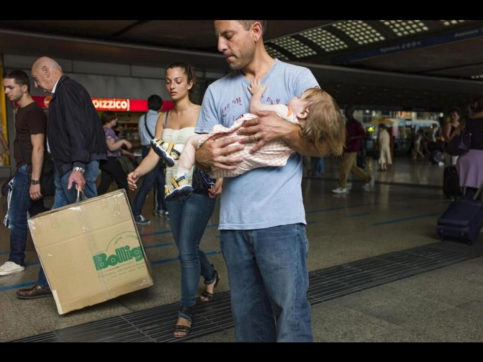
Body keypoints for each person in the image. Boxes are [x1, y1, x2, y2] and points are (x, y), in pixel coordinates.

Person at [194, 20, 338, 342]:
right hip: (233, 227)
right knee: (248, 321)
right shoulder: (217, 91)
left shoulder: (298, 79)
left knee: (292, 316)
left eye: (228, 36)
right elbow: (200, 153)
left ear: (255, 31)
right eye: (218, 37)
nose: (220, 45)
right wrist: (206, 156)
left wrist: (284, 130)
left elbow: (326, 144)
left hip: (282, 224)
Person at [127, 63, 220, 339]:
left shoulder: (203, 112)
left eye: (178, 80)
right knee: (184, 246)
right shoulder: (163, 119)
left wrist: (222, 179)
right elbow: (155, 155)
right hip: (172, 191)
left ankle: (185, 311)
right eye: (168, 81)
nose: (172, 85)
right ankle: (211, 275)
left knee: (186, 251)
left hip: (200, 190)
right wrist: (136, 172)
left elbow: (217, 150)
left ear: (189, 83)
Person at [153, 78, 343, 200]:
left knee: (193, 141)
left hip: (232, 149)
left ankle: (181, 176)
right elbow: (326, 140)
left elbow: (256, 109)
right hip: (236, 168)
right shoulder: (298, 137)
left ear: (305, 111)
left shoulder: (284, 111)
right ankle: (177, 151)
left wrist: (257, 94)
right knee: (196, 147)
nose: (294, 97)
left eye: (300, 97)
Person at [16, 56, 107, 299]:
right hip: (65, 168)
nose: (36, 84)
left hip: (74, 169)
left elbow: (77, 131)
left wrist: (78, 167)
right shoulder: (64, 92)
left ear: (47, 70)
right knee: (57, 229)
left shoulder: (67, 91)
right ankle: (47, 281)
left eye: (36, 78)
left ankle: (106, 278)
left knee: (88, 228)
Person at [0, 70, 47, 276]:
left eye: (10, 87)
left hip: (28, 170)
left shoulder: (33, 112)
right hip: (25, 169)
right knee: (36, 215)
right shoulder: (21, 111)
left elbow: (38, 147)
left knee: (18, 216)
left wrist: (34, 180)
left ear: (24, 87)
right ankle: (52, 249)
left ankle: (16, 260)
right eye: (4, 87)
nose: (6, 91)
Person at [131, 95, 167, 225]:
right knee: (148, 183)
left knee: (161, 181)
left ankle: (163, 208)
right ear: (160, 106)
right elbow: (163, 137)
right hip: (156, 152)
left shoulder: (142, 118)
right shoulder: (160, 118)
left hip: (146, 150)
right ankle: (135, 212)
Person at [332, 106, 373, 194]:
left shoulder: (355, 123)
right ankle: (367, 178)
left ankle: (342, 187)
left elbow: (364, 134)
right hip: (348, 148)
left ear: (350, 113)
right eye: (345, 112)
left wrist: (354, 137)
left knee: (344, 167)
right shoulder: (348, 123)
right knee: (352, 168)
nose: (345, 114)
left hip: (352, 148)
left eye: (346, 112)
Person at [97, 111, 134, 195]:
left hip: (104, 161)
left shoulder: (102, 130)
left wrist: (127, 153)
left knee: (104, 184)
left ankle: (95, 203)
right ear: (110, 119)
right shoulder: (109, 131)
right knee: (123, 181)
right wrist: (123, 141)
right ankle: (125, 203)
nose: (116, 120)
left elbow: (114, 148)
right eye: (115, 118)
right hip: (110, 161)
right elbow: (112, 147)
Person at [456, 96, 483, 201]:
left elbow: (454, 137)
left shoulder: (467, 121)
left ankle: (468, 206)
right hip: (481, 159)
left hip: (466, 157)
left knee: (469, 189)